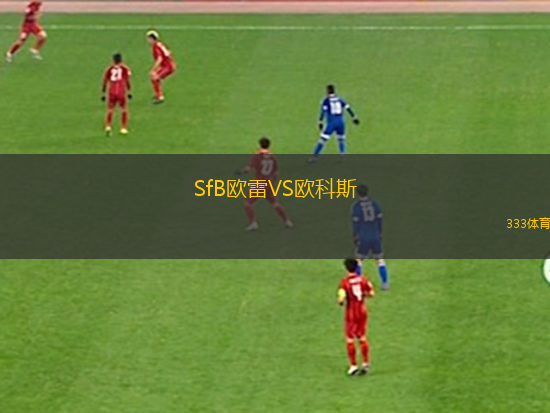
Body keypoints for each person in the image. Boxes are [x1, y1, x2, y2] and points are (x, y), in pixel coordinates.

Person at [236, 137, 293, 231]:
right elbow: (276, 172)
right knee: (275, 203)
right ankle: (287, 221)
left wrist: (241, 172)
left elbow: (248, 168)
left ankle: (253, 223)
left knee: (247, 203)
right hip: (269, 184)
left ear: (260, 144)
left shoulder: (257, 156)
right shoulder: (272, 157)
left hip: (259, 184)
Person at [338, 258, 375, 376]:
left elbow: (341, 299)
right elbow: (371, 294)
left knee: (350, 339)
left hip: (351, 313)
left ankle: (353, 366)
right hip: (362, 311)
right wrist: (362, 296)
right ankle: (365, 363)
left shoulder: (344, 283)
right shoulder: (364, 279)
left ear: (346, 268)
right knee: (362, 337)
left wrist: (341, 301)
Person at [351, 184, 389, 290]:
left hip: (363, 237)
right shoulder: (375, 204)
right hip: (375, 235)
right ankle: (385, 283)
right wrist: (380, 232)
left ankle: (358, 284)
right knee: (380, 260)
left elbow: (355, 223)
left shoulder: (357, 207)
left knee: (359, 260)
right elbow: (380, 220)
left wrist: (355, 235)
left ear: (357, 194)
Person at [310, 84, 359, 162]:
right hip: (341, 121)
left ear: (327, 91)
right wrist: (354, 118)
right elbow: (348, 108)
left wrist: (320, 122)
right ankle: (343, 156)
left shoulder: (326, 101)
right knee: (341, 139)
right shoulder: (340, 100)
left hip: (332, 122)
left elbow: (323, 112)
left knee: (322, 140)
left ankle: (314, 157)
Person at [101, 53, 132, 136]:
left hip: (112, 91)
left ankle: (108, 126)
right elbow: (127, 80)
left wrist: (103, 93)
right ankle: (123, 128)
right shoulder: (125, 69)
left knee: (110, 109)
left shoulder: (109, 69)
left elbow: (105, 81)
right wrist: (129, 91)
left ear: (113, 60)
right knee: (124, 109)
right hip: (121, 91)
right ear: (121, 60)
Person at [146, 30, 176, 104]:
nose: (148, 41)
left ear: (153, 39)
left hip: (168, 67)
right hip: (168, 65)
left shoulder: (156, 47)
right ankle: (158, 94)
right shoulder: (160, 44)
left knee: (154, 77)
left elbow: (159, 59)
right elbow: (168, 52)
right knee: (154, 78)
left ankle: (160, 97)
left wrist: (153, 69)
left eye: (149, 39)